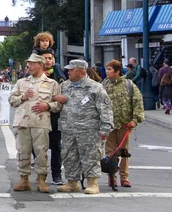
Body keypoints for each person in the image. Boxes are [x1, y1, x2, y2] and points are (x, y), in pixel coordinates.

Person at [57, 59, 113, 195]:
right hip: (68, 129)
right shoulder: (64, 86)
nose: (68, 72)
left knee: (91, 156)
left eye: (71, 69)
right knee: (69, 155)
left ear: (80, 72)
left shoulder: (95, 87)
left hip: (89, 130)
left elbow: (105, 109)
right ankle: (72, 182)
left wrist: (106, 128)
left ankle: (93, 183)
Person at [9, 54, 62, 193]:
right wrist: (23, 97)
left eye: (32, 64)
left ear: (40, 64)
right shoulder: (22, 82)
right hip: (22, 122)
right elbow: (11, 100)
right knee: (22, 151)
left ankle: (41, 180)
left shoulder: (52, 84)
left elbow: (58, 104)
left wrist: (48, 106)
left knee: (41, 151)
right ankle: (24, 179)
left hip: (41, 122)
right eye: (29, 64)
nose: (29, 66)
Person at [102, 59, 144, 188]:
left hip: (125, 124)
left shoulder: (128, 84)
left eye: (109, 69)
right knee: (110, 152)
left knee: (123, 151)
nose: (107, 72)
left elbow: (137, 101)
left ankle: (124, 177)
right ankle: (111, 177)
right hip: (109, 124)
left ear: (117, 71)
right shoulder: (104, 85)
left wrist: (135, 120)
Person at [42, 49, 65, 186]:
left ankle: (57, 175)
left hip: (54, 117)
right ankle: (41, 176)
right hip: (38, 117)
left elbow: (63, 97)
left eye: (50, 58)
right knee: (39, 148)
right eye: (45, 58)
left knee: (56, 147)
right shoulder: (32, 78)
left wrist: (51, 104)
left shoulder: (59, 77)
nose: (48, 60)